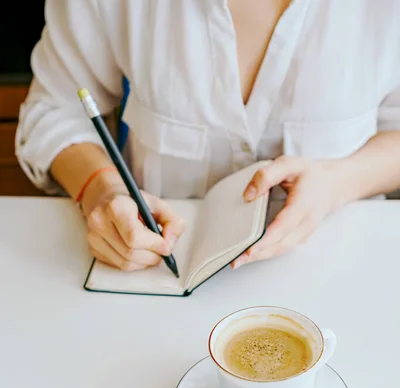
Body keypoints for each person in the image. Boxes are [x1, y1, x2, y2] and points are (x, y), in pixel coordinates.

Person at [17, 0, 400, 272]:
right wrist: (102, 189)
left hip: (340, 272)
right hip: (153, 273)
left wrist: (337, 183)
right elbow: (55, 109)